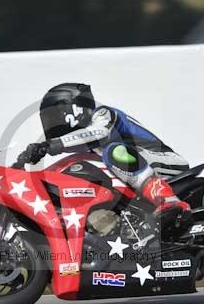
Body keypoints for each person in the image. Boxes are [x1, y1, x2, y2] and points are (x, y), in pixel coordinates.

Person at [17, 82, 192, 223]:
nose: (50, 122)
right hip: (138, 175)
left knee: (114, 152)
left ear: (71, 109)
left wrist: (50, 145)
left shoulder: (102, 114)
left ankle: (167, 200)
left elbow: (99, 133)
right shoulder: (85, 143)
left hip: (166, 163)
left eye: (52, 116)